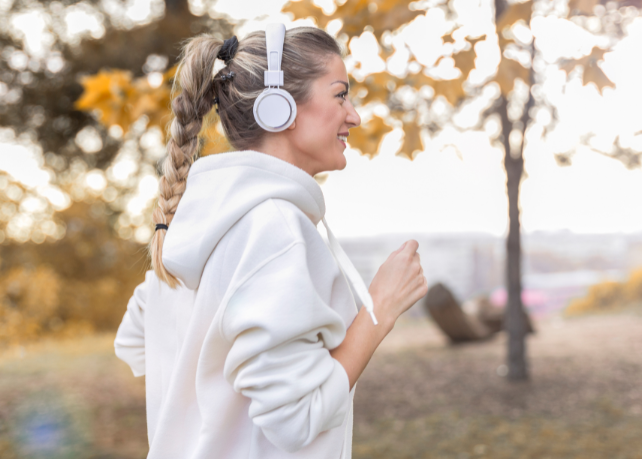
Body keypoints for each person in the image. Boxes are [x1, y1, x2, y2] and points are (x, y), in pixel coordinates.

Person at [113, 23, 427, 459]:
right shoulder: (275, 229)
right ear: (279, 107)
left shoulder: (196, 224)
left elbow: (136, 343)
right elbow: (296, 420)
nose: (354, 115)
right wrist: (381, 307)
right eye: (340, 94)